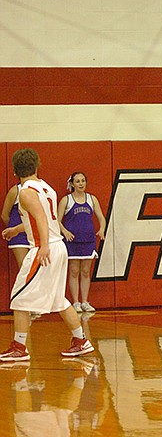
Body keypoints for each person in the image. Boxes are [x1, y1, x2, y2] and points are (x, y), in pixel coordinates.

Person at [0, 148, 94, 362]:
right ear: (36, 166)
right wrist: (17, 230)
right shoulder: (46, 188)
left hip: (45, 247)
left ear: (15, 170)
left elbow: (42, 219)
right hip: (58, 245)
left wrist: (42, 246)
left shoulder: (24, 191)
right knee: (57, 299)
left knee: (19, 297)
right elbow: (44, 220)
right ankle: (81, 341)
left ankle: (19, 348)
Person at [58, 172, 106, 313]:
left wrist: (102, 229)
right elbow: (56, 220)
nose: (81, 183)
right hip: (72, 241)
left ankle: (85, 301)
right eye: (77, 181)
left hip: (88, 240)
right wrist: (65, 232)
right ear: (72, 184)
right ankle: (76, 302)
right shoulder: (66, 200)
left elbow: (101, 218)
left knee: (85, 271)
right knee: (74, 271)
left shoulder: (92, 199)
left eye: (83, 181)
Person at [2, 183, 30, 267]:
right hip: (19, 236)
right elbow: (4, 215)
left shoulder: (40, 187)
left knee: (37, 270)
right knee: (25, 268)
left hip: (35, 233)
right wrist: (14, 230)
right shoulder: (15, 190)